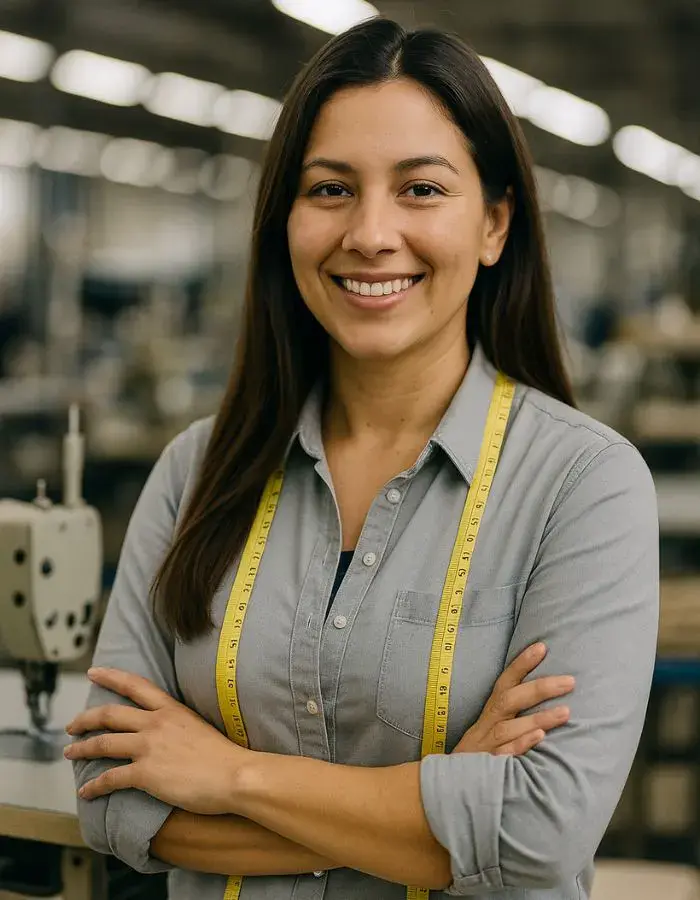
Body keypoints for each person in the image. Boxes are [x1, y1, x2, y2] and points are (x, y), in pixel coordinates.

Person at [67, 16, 659, 900]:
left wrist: (227, 775)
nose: (372, 233)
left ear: (495, 223)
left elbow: (538, 830)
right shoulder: (196, 474)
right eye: (331, 189)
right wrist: (439, 804)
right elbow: (109, 804)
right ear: (286, 220)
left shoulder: (583, 485)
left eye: (421, 189)